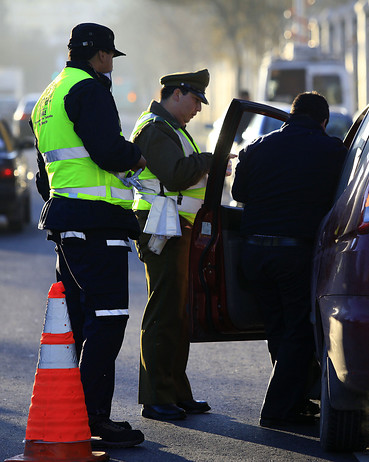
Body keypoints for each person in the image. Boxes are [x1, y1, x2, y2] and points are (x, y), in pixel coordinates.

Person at [30, 23, 146, 448]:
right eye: (111, 56)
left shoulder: (50, 94)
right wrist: (136, 155)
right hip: (97, 223)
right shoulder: (90, 89)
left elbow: (47, 170)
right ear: (101, 55)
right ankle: (95, 417)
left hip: (66, 220)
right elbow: (108, 150)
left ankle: (79, 413)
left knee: (84, 320)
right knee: (109, 318)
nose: (111, 64)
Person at [232, 91, 347, 427]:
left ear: (291, 115)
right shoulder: (332, 151)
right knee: (298, 329)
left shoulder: (256, 146)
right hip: (295, 254)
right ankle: (277, 408)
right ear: (322, 121)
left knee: (278, 327)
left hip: (253, 253)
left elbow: (238, 194)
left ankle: (293, 400)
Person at [130, 70, 213, 421]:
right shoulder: (154, 129)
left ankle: (176, 392)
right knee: (164, 312)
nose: (197, 109)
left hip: (175, 225)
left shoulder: (172, 129)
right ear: (176, 94)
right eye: (195, 100)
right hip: (160, 227)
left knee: (177, 315)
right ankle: (156, 397)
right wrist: (209, 160)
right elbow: (176, 174)